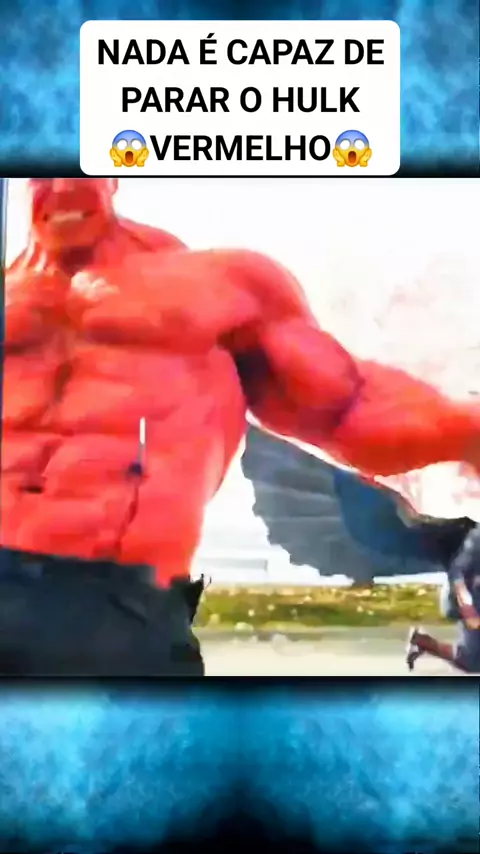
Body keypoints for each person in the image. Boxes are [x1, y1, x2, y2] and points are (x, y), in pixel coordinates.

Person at [4, 177, 480, 676]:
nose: (61, 188)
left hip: (115, 608)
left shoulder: (216, 289)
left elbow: (353, 409)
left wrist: (468, 432)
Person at [406, 524, 480, 674]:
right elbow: (458, 573)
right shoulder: (477, 538)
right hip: (468, 599)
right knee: (474, 662)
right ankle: (423, 642)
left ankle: (422, 642)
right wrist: (468, 608)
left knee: (474, 661)